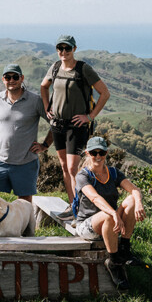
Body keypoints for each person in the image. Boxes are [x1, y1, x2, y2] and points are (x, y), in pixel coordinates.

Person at [39, 34, 110, 218]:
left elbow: (104, 93)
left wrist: (90, 116)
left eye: (67, 48)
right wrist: (47, 107)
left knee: (72, 168)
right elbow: (43, 86)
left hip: (76, 126)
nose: (63, 52)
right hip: (58, 124)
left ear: (74, 49)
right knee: (65, 167)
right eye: (60, 48)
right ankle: (73, 207)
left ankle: (81, 207)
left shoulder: (83, 69)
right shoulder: (55, 67)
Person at [71, 136, 146, 291]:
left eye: (102, 152)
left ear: (106, 153)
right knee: (108, 215)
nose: (98, 156)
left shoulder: (113, 173)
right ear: (87, 153)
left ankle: (125, 249)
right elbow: (94, 198)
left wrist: (138, 202)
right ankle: (114, 263)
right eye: (94, 153)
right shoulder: (83, 176)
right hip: (87, 225)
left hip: (111, 222)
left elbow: (134, 189)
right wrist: (114, 213)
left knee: (132, 200)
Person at [0, 63, 51, 202]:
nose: (11, 80)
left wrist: (45, 145)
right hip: (1, 160)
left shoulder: (35, 100)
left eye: (15, 77)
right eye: (8, 77)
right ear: (3, 80)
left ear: (22, 78)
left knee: (24, 203)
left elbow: (54, 124)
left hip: (26, 163)